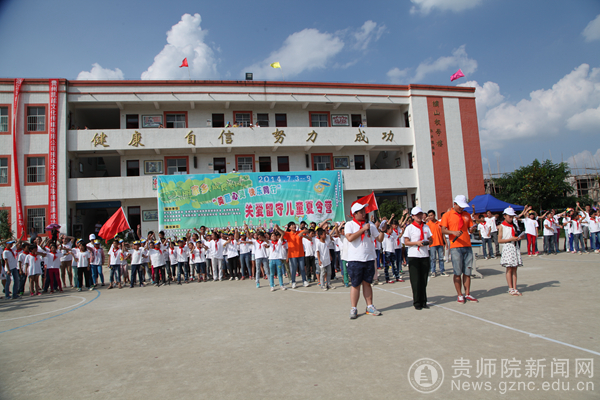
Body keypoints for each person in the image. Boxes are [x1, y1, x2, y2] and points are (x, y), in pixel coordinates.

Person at [344, 202, 385, 319]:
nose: (364, 214)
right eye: (361, 212)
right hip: (355, 259)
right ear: (355, 214)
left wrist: (382, 230)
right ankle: (354, 308)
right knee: (355, 284)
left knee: (367, 283)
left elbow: (379, 239)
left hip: (369, 258)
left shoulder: (370, 225)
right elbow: (350, 238)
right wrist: (362, 229)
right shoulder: (350, 224)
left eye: (364, 211)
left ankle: (369, 306)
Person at [440, 195, 478, 304]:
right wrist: (453, 232)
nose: (462, 208)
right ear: (454, 204)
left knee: (467, 271)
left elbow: (470, 230)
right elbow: (443, 230)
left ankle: (468, 293)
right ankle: (459, 294)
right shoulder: (447, 215)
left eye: (463, 206)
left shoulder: (467, 215)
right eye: (460, 206)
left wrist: (472, 228)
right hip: (455, 246)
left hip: (467, 245)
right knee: (457, 272)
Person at [402, 207, 432, 310]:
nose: (419, 216)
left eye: (420, 214)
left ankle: (424, 301)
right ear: (413, 216)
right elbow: (406, 242)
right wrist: (416, 243)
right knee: (416, 280)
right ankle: (417, 302)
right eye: (417, 215)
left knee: (424, 279)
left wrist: (427, 242)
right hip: (414, 256)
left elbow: (431, 240)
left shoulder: (426, 227)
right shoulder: (410, 228)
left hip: (424, 255)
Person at [275, 221, 310, 289]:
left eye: (294, 225)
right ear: (289, 228)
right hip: (292, 255)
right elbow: (282, 232)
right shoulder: (288, 234)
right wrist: (278, 228)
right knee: (293, 269)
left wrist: (302, 233)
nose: (294, 226)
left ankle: (304, 281)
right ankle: (293, 282)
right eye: (292, 225)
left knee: (302, 268)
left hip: (300, 254)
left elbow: (307, 231)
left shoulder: (299, 232)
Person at [498, 208, 523, 295]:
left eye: (512, 217)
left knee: (515, 268)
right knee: (509, 268)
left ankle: (515, 287)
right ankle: (510, 288)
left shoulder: (513, 225)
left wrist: (519, 238)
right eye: (509, 216)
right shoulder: (502, 226)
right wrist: (510, 239)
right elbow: (499, 240)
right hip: (508, 247)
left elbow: (515, 235)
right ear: (504, 216)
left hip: (515, 246)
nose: (511, 218)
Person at [426, 210, 447, 276]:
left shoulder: (439, 223)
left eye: (431, 215)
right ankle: (433, 271)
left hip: (440, 243)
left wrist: (445, 242)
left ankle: (442, 271)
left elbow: (443, 233)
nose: (430, 217)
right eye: (429, 216)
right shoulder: (427, 225)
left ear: (434, 215)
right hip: (432, 244)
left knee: (441, 258)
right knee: (433, 258)